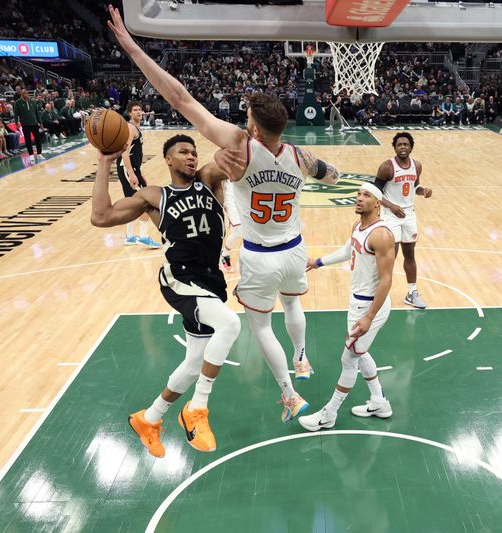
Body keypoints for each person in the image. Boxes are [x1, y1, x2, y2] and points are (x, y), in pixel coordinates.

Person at [108, 4, 341, 423]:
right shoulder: (299, 155)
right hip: (294, 250)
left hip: (259, 255)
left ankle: (288, 393)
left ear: (252, 128)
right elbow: (333, 174)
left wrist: (133, 48)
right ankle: (302, 358)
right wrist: (317, 169)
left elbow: (180, 98)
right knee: (292, 307)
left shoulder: (238, 146)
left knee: (259, 327)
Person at [91, 134, 241, 456]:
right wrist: (104, 163)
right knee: (229, 325)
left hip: (211, 281)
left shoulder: (208, 180)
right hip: (179, 278)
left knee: (193, 363)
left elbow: (227, 154)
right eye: (182, 152)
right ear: (168, 160)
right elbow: (100, 217)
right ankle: (197, 409)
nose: (190, 157)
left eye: (193, 152)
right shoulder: (156, 196)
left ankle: (149, 418)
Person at [299, 183, 396, 431]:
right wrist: (318, 262)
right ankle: (379, 402)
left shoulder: (382, 235)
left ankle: (328, 414)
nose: (359, 198)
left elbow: (387, 280)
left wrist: (368, 317)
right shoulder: (358, 227)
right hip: (357, 302)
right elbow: (347, 251)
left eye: (366, 195)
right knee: (359, 353)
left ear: (378, 203)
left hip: (371, 306)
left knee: (349, 358)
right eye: (358, 194)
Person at [374, 132, 432, 309]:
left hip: (408, 215)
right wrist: (391, 206)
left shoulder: (417, 165)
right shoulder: (386, 167)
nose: (403, 147)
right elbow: (374, 192)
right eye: (399, 145)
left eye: (406, 144)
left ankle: (412, 292)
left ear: (411, 147)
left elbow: (415, 186)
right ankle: (379, 293)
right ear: (394, 147)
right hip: (390, 215)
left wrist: (423, 191)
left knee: (410, 254)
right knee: (390, 256)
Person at [118, 100, 161, 248]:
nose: (138, 112)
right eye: (135, 110)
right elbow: (124, 152)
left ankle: (130, 236)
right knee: (144, 201)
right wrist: (132, 174)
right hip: (127, 168)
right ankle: (143, 237)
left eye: (140, 110)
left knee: (131, 202)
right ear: (129, 113)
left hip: (132, 168)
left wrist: (139, 172)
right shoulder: (130, 128)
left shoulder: (135, 127)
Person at [14, 88, 44, 162]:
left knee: (37, 139)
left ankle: (39, 154)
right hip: (25, 124)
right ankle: (31, 155)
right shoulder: (18, 103)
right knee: (28, 140)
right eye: (23, 93)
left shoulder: (33, 102)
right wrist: (16, 123)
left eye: (26, 93)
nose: (25, 94)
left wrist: (41, 122)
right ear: (21, 94)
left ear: (27, 94)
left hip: (34, 123)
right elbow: (15, 114)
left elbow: (37, 113)